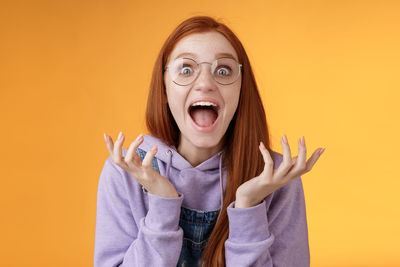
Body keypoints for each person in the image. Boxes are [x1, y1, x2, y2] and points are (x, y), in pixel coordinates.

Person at [94, 15, 325, 267]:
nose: (205, 84)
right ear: (163, 90)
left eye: (223, 70)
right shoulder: (126, 172)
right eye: (186, 69)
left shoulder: (276, 178)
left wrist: (249, 206)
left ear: (241, 89)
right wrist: (162, 206)